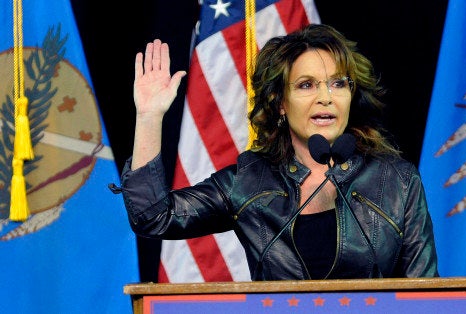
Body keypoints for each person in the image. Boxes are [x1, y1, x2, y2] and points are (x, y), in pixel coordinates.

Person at [113, 23, 438, 280]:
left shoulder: (398, 181)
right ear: (280, 104)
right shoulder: (250, 179)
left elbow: (427, 294)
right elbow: (152, 217)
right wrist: (149, 116)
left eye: (339, 83)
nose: (326, 97)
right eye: (306, 85)